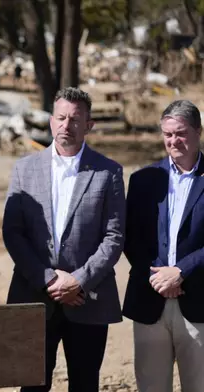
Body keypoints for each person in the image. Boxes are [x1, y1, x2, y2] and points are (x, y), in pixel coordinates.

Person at [2, 87, 125, 392]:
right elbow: (12, 232)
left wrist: (78, 281)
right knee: (32, 385)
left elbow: (114, 237)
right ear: (50, 121)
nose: (66, 126)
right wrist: (47, 278)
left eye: (74, 119)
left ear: (88, 124)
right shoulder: (25, 169)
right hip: (34, 297)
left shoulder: (108, 172)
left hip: (88, 300)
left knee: (85, 384)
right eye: (60, 118)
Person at [123, 100, 204, 392]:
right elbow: (130, 237)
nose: (174, 141)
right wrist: (159, 278)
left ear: (198, 132)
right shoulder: (143, 180)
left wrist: (181, 271)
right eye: (168, 134)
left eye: (181, 133)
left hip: (199, 300)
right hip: (150, 299)